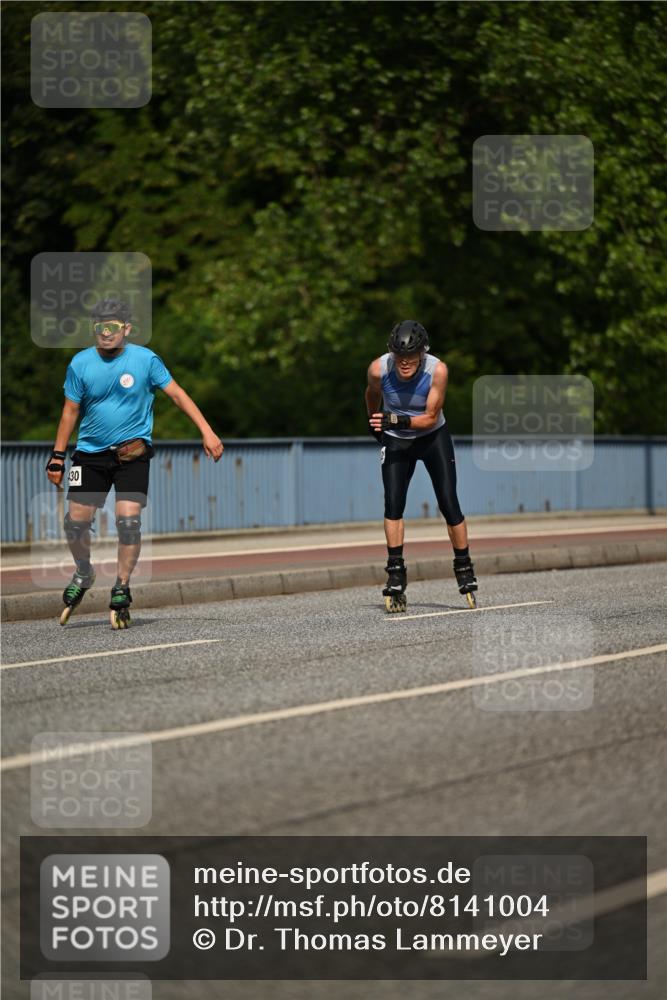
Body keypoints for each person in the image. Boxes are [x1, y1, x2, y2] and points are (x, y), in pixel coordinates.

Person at [46, 299, 224, 628]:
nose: (106, 333)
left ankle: (121, 587)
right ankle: (84, 571)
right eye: (100, 327)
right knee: (75, 523)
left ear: (127, 328)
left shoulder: (146, 360)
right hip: (88, 454)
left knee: (128, 522)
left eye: (113, 327)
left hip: (133, 454)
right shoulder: (80, 363)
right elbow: (70, 412)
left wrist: (207, 431)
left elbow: (177, 395)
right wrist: (57, 457)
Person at [365, 320, 477, 612]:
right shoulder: (379, 369)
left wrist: (397, 419)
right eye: (399, 358)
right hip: (395, 438)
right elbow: (371, 395)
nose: (404, 364)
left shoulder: (437, 370)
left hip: (431, 437)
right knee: (393, 504)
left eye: (411, 358)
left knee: (449, 502)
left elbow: (430, 416)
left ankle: (464, 566)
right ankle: (395, 570)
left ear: (423, 354)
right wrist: (375, 423)